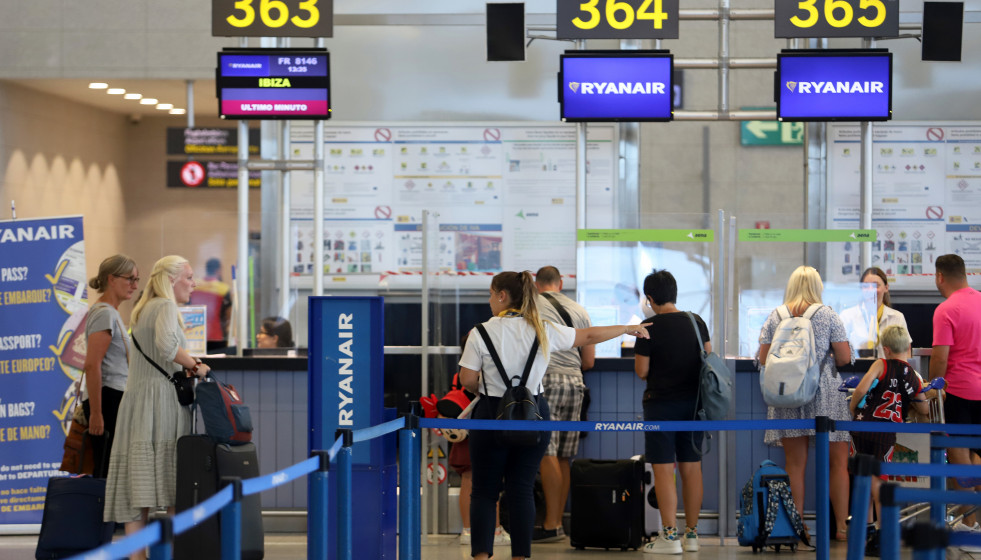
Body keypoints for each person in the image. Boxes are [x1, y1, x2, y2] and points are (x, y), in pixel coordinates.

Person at [458, 271, 650, 560]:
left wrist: (484, 387)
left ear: (502, 296)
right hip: (534, 413)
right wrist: (626, 328)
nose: (489, 300)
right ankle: (520, 557)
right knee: (521, 488)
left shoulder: (480, 332)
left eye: (490, 294)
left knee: (485, 491)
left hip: (490, 414)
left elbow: (467, 379)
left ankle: (482, 557)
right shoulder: (542, 328)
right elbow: (588, 335)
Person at [103, 255, 211, 560]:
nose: (194, 283)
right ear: (171, 279)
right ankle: (175, 553)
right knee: (174, 481)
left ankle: (137, 556)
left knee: (138, 486)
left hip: (137, 402)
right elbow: (167, 346)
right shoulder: (165, 306)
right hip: (160, 402)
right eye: (189, 277)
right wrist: (196, 365)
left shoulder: (143, 308)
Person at [757, 265, 852, 542]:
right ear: (817, 287)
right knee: (838, 463)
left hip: (787, 392)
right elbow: (844, 357)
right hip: (825, 392)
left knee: (795, 464)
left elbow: (762, 358)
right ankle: (842, 528)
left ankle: (797, 527)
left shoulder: (776, 315)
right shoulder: (828, 314)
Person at [633, 269, 709, 554]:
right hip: (695, 405)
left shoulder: (648, 326)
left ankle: (669, 537)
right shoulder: (696, 321)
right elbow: (708, 357)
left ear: (650, 298)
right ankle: (692, 535)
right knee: (692, 467)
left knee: (665, 470)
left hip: (661, 405)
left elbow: (642, 371)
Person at [849, 325, 931, 552]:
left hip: (861, 428)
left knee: (863, 480)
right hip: (886, 434)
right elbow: (924, 408)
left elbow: (861, 389)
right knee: (879, 482)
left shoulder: (880, 365)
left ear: (885, 349)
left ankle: (865, 532)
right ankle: (883, 534)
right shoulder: (913, 376)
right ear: (909, 347)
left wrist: (853, 408)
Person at [532, 265, 594, 543]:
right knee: (563, 457)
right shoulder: (579, 310)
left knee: (547, 453)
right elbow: (588, 361)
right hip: (576, 385)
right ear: (560, 283)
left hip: (547, 382)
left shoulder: (532, 305)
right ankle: (557, 523)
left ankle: (551, 524)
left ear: (537, 285)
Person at [929, 254, 981, 535]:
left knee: (959, 454)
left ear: (940, 277)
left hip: (958, 392)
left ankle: (969, 526)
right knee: (976, 454)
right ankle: (974, 521)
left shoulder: (946, 310)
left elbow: (940, 358)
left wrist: (934, 389)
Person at [82, 254, 139, 478]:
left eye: (136, 279)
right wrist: (96, 413)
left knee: (112, 469)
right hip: (107, 399)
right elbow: (92, 365)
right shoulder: (105, 314)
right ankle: (102, 503)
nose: (135, 285)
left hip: (112, 398)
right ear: (111, 279)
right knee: (107, 469)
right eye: (130, 279)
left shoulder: (110, 313)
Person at [840, 267, 910, 358]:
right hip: (857, 367)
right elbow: (840, 353)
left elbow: (906, 353)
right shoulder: (847, 316)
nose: (871, 290)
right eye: (866, 286)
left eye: (875, 285)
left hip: (888, 367)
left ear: (886, 288)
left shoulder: (897, 317)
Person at [188, 257, 232, 351]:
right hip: (216, 334)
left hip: (194, 334)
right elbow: (229, 314)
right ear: (218, 270)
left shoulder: (195, 285)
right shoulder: (223, 288)